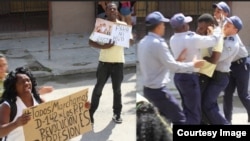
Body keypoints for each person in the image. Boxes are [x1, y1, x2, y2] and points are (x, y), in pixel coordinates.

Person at [137, 11, 205, 125]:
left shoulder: (143, 42)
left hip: (148, 90)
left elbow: (158, 64)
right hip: (159, 91)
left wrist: (177, 60)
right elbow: (174, 67)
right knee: (180, 119)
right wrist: (193, 65)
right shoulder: (158, 44)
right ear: (159, 26)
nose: (164, 27)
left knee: (163, 122)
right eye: (163, 24)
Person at [169, 13, 221, 124]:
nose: (189, 24)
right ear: (183, 26)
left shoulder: (173, 38)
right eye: (187, 23)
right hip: (189, 78)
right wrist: (216, 30)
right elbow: (214, 41)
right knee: (194, 114)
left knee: (187, 110)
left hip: (178, 77)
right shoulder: (192, 38)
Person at [88, 2, 133, 124]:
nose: (112, 11)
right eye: (110, 9)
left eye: (114, 9)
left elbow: (130, 42)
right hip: (104, 62)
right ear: (106, 12)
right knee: (98, 89)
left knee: (117, 90)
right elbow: (91, 42)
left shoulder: (123, 26)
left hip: (118, 62)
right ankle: (91, 114)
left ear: (117, 11)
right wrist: (105, 47)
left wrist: (130, 39)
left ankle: (117, 114)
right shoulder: (103, 26)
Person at [213, 2, 250, 124]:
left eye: (219, 11)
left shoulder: (230, 27)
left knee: (243, 95)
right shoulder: (219, 26)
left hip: (241, 64)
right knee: (227, 94)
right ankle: (227, 122)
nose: (216, 13)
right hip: (230, 65)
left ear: (226, 14)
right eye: (215, 11)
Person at [201, 16, 241, 125]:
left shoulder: (231, 43)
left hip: (220, 77)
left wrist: (211, 39)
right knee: (208, 104)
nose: (224, 27)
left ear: (235, 30)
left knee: (207, 104)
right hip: (213, 74)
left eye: (228, 26)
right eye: (225, 24)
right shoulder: (223, 37)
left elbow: (215, 57)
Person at [0, 67, 44, 141]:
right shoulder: (7, 106)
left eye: (28, 80)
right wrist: (16, 124)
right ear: (14, 87)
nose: (26, 83)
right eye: (21, 82)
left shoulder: (39, 101)